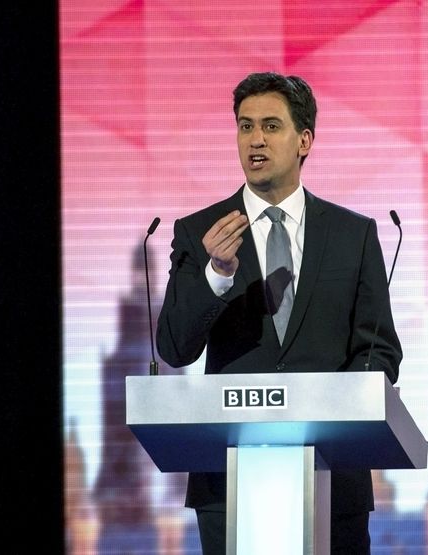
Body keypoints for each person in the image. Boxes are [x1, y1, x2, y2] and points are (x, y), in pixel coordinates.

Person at [156, 72, 402, 555]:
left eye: (271, 126)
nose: (256, 140)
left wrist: (338, 409)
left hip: (333, 482)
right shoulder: (199, 233)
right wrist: (216, 276)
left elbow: (381, 350)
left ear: (304, 140)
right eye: (245, 127)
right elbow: (174, 347)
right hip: (230, 485)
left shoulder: (354, 236)